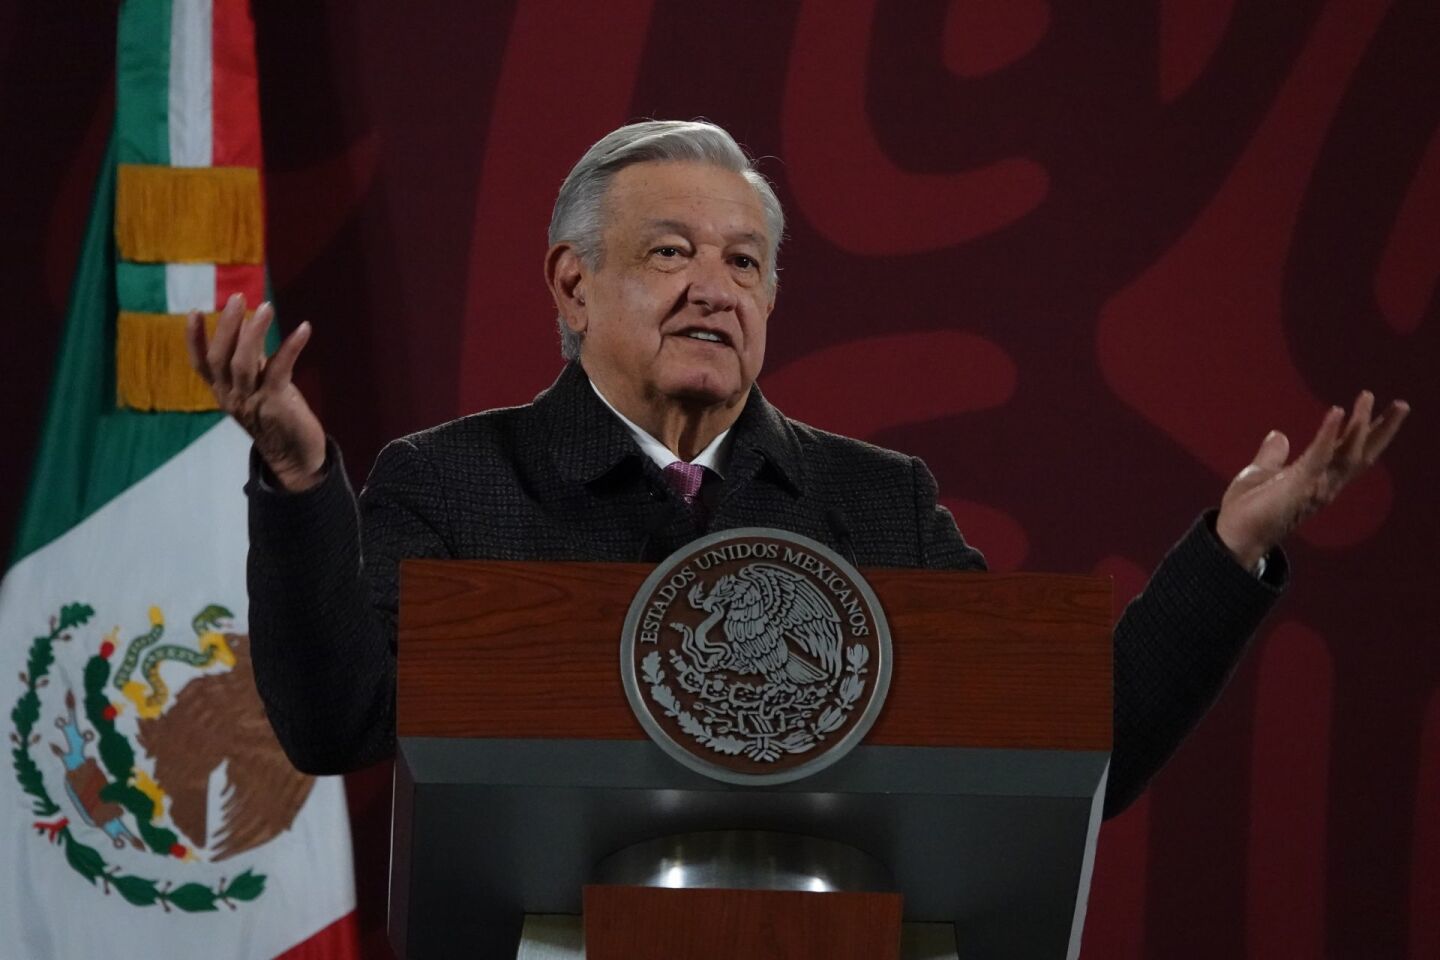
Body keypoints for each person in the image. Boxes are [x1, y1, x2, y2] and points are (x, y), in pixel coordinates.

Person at [187, 120, 1408, 818]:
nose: (715, 288)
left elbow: (1074, 748)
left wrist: (1231, 550)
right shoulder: (450, 481)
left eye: (746, 263)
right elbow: (331, 721)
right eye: (670, 252)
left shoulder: (879, 503)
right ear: (573, 285)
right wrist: (300, 479)